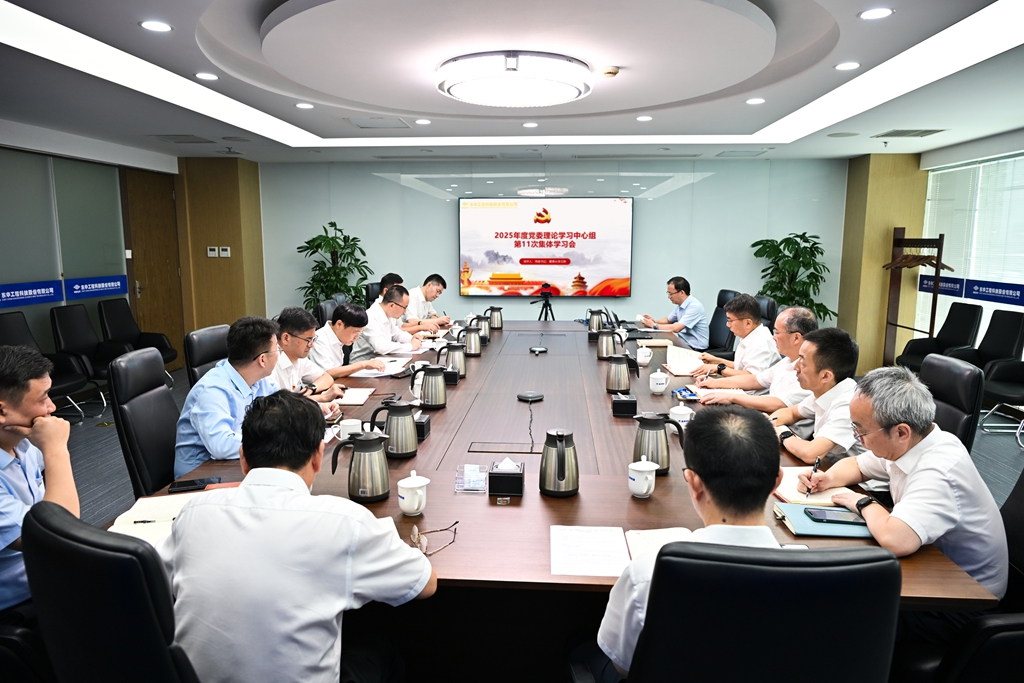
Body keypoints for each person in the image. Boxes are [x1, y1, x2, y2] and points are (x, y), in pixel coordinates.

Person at [159, 391, 437, 683]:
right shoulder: (344, 522)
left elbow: (157, 582)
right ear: (318, 456)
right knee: (380, 643)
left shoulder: (194, 512)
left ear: (243, 458)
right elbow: (425, 583)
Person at [801, 366, 1007, 646]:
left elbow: (896, 540)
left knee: (834, 615)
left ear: (901, 432)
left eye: (861, 430)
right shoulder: (911, 442)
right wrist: (826, 479)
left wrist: (863, 501)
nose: (858, 438)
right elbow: (858, 465)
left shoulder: (938, 469)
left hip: (960, 603)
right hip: (931, 568)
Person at [584, 406, 784, 681]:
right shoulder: (820, 577)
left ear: (694, 482)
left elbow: (624, 665)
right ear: (777, 481)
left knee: (581, 648)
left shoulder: (648, 573)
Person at [0, 346, 79, 626]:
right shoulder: (41, 443)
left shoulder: (24, 443)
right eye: (43, 398)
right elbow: (59, 535)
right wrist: (56, 449)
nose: (52, 408)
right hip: (19, 608)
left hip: (50, 575)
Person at [174, 316, 279, 478]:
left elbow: (282, 411)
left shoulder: (259, 381)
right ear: (262, 359)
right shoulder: (212, 391)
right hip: (200, 476)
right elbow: (221, 445)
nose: (279, 354)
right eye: (277, 349)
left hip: (235, 463)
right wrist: (272, 440)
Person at [697, 307, 816, 435]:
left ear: (796, 338)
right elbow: (755, 380)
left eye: (776, 332)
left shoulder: (810, 369)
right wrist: (715, 383)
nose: (773, 337)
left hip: (787, 433)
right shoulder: (787, 360)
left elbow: (778, 403)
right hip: (769, 419)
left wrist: (731, 397)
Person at [769, 327, 863, 464]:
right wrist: (771, 422)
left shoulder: (848, 405)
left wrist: (782, 434)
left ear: (825, 376)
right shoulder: (826, 389)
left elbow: (811, 454)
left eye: (802, 362)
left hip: (855, 478)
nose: (795, 367)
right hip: (829, 468)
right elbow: (792, 413)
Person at [696, 293, 779, 381]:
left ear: (748, 323)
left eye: (730, 321)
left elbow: (751, 376)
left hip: (750, 389)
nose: (727, 324)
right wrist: (716, 361)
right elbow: (740, 367)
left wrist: (718, 369)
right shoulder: (750, 334)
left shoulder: (761, 343)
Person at [272, 307, 343, 402]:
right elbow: (275, 405)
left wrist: (311, 388)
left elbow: (327, 377)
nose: (312, 345)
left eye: (313, 339)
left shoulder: (299, 358)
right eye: (308, 340)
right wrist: (322, 397)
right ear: (286, 338)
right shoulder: (270, 364)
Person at [309, 303, 387, 377]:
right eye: (355, 332)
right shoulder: (318, 340)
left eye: (360, 332)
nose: (357, 337)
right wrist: (363, 365)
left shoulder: (338, 336)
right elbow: (327, 373)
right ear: (339, 324)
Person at [349, 285, 423, 363]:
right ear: (392, 305)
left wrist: (411, 338)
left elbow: (397, 334)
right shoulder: (371, 317)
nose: (405, 311)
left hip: (380, 360)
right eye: (404, 307)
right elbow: (381, 347)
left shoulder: (387, 314)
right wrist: (410, 346)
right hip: (362, 365)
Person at [639, 276, 709, 350]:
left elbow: (676, 328)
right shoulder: (680, 305)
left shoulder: (695, 307)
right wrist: (654, 321)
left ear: (682, 292)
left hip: (695, 349)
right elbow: (668, 320)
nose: (669, 297)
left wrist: (654, 325)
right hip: (683, 344)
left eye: (671, 294)